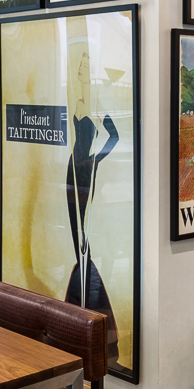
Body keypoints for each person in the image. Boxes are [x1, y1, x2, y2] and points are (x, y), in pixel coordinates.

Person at [64, 34, 121, 368]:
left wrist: (95, 159)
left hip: (83, 174)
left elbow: (115, 136)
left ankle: (91, 326)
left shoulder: (94, 106)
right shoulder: (77, 101)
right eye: (79, 65)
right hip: (73, 174)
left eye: (86, 65)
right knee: (80, 249)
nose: (81, 71)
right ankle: (81, 320)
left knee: (84, 247)